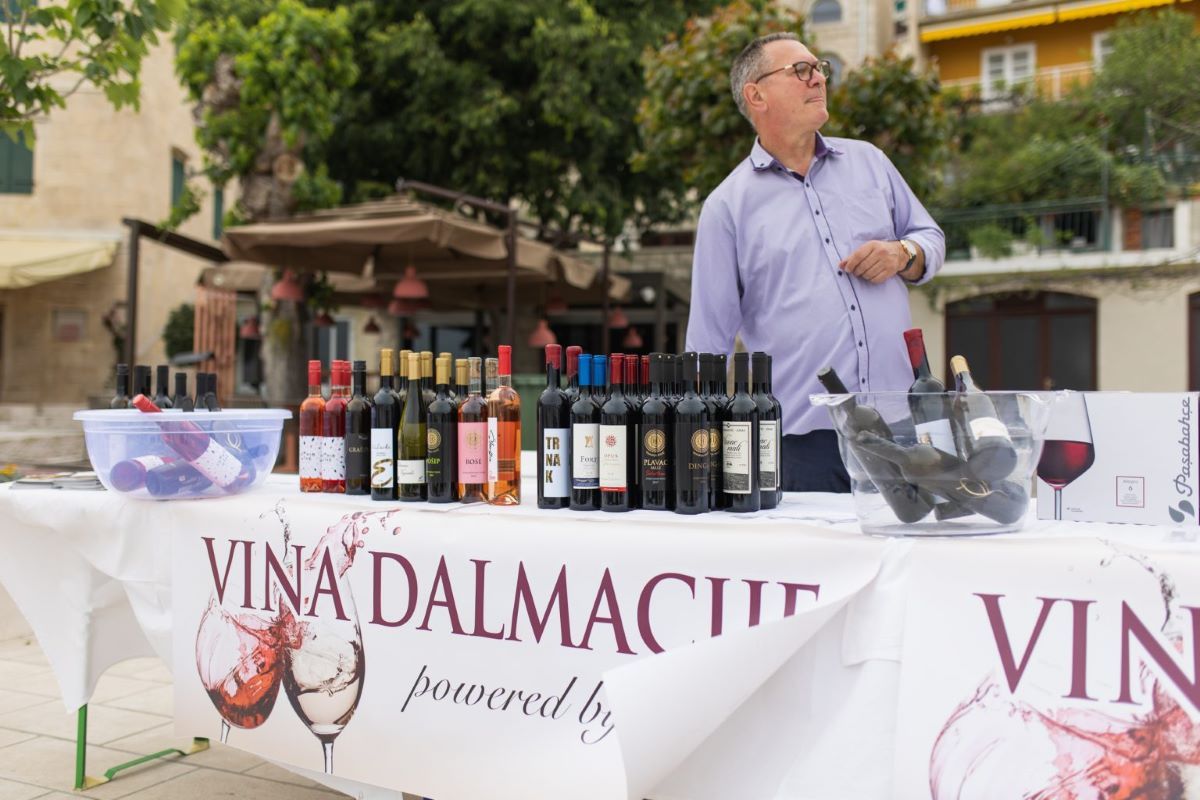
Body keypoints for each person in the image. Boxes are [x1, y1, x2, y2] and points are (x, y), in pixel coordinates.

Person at [685, 32, 945, 493]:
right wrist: (699, 463)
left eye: (819, 68)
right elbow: (709, 341)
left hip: (902, 428)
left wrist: (902, 253)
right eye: (800, 71)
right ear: (756, 95)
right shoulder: (727, 207)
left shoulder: (871, 162)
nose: (818, 79)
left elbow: (930, 238)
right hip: (801, 445)